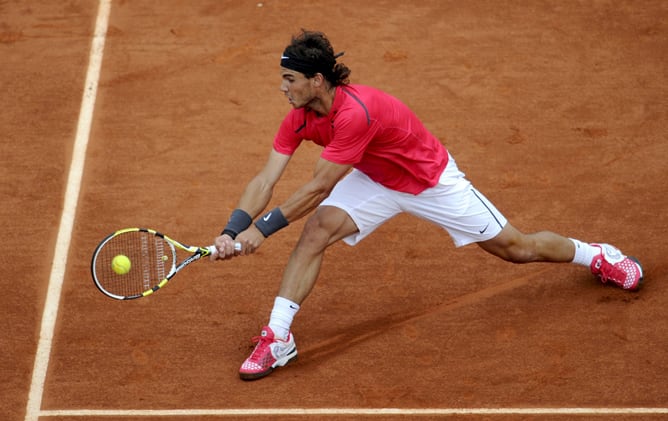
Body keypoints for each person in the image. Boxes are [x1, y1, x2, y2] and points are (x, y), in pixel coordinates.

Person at [211, 30, 644, 381]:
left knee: (516, 248)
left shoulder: (356, 113)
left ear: (317, 81)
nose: (282, 87)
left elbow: (319, 187)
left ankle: (598, 255)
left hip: (429, 181)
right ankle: (279, 337)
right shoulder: (300, 117)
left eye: (290, 79)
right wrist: (234, 228)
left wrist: (261, 230)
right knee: (317, 231)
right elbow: (265, 179)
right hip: (376, 179)